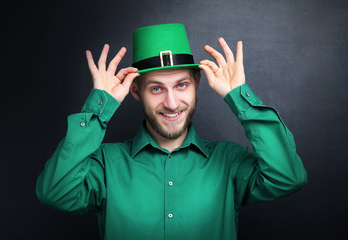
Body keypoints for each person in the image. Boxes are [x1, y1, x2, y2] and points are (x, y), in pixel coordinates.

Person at [36, 23, 307, 240]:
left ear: (196, 83)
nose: (172, 103)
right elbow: (55, 193)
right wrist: (99, 107)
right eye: (156, 88)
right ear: (135, 91)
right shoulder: (105, 165)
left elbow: (288, 177)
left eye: (181, 85)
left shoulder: (229, 161)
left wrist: (239, 98)